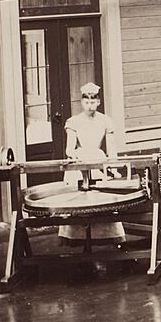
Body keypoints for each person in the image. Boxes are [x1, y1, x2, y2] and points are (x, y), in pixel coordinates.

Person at [61, 82, 125, 242]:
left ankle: (105, 237)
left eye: (93, 102)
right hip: (80, 161)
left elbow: (111, 149)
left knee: (101, 199)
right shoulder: (74, 122)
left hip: (98, 160)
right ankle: (76, 238)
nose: (90, 106)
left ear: (98, 102)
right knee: (78, 200)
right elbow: (69, 149)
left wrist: (113, 168)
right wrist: (75, 157)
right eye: (86, 102)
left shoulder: (106, 121)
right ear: (82, 102)